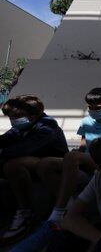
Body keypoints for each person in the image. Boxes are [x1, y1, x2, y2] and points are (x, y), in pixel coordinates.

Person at [37, 87, 101, 225]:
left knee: (73, 157)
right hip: (87, 163)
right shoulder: (86, 122)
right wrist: (78, 153)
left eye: (98, 107)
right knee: (45, 163)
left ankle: (58, 212)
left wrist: (77, 156)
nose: (93, 110)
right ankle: (68, 203)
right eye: (90, 107)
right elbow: (83, 144)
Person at [0, 95, 68, 245]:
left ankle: (26, 213)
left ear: (34, 114)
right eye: (11, 117)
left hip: (54, 165)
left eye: (17, 116)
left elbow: (22, 150)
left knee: (12, 165)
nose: (13, 120)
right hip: (34, 163)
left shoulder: (47, 128)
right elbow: (5, 139)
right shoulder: (23, 126)